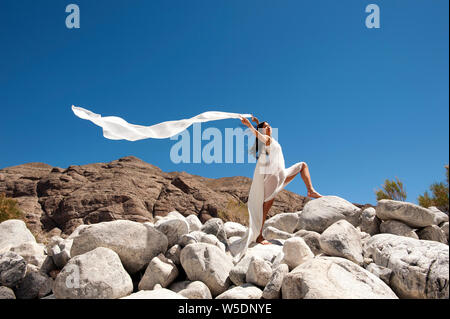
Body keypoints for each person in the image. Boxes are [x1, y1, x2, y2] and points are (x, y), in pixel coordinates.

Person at [240, 115, 322, 245]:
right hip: (273, 177)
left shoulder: (271, 140)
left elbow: (261, 135)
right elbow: (259, 135)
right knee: (265, 207)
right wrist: (250, 126)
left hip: (281, 174)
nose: (269, 126)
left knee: (302, 165)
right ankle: (259, 236)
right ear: (263, 130)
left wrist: (256, 123)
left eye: (269, 125)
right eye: (266, 126)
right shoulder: (266, 139)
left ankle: (310, 190)